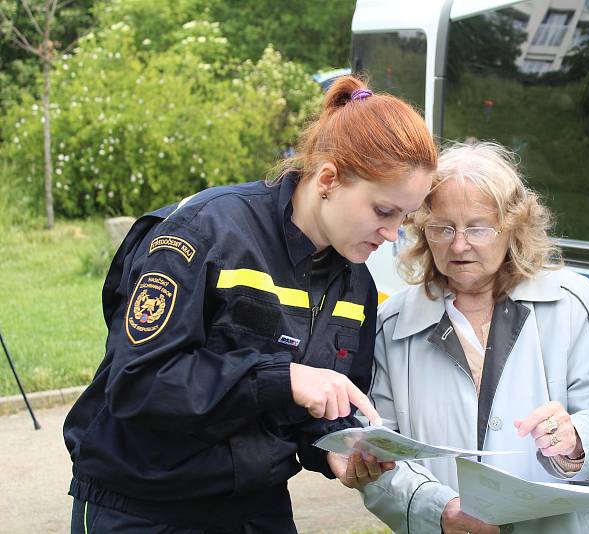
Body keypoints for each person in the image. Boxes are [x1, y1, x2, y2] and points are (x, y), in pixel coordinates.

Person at [62, 76, 436, 533]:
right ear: (328, 179)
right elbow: (138, 383)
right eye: (383, 211)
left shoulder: (355, 283)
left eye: (404, 217)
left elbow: (320, 409)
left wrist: (334, 448)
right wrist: (284, 379)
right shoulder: (204, 233)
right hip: (141, 505)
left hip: (255, 508)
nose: (392, 234)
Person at [360, 142, 589, 533]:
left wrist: (579, 440)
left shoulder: (575, 303)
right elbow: (380, 452)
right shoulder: (392, 325)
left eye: (477, 227)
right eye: (443, 228)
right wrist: (438, 510)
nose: (459, 245)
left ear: (513, 226)